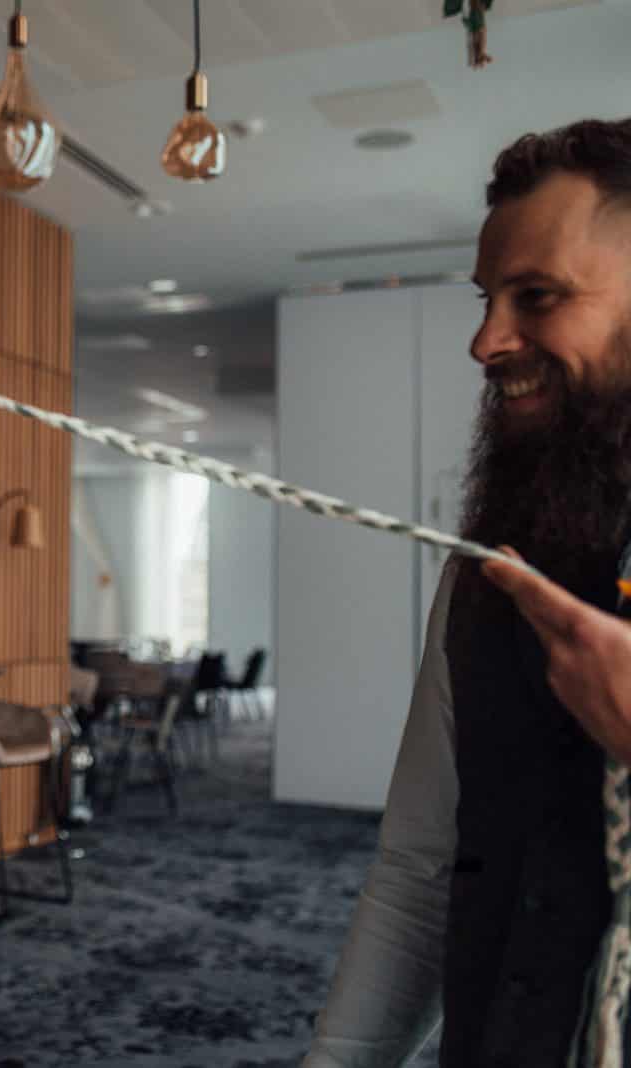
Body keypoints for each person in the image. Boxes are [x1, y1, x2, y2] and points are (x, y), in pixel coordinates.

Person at [306, 118, 631, 1067]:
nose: (487, 340)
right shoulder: (485, 571)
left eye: (538, 297)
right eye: (489, 298)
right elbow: (419, 870)